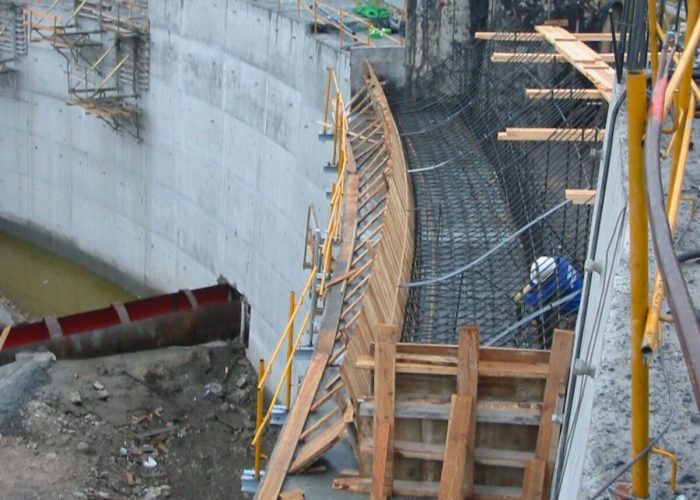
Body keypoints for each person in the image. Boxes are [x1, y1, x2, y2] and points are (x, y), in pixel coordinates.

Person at [513, 255, 583, 346]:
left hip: (576, 306)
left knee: (545, 312)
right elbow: (540, 278)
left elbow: (537, 300)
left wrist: (524, 296)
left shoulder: (557, 284)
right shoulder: (558, 261)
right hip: (579, 288)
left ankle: (548, 344)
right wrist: (527, 288)